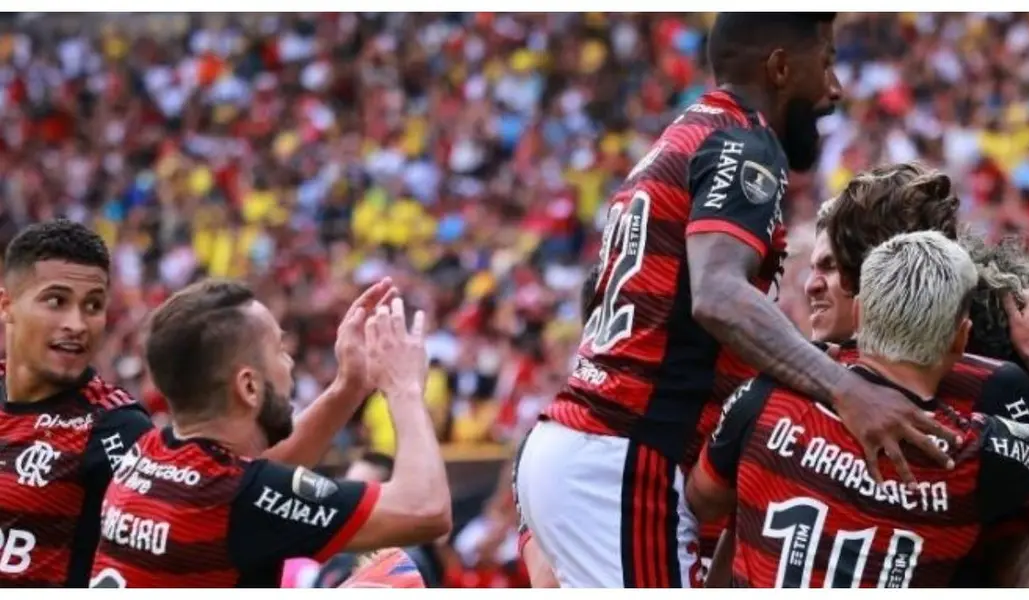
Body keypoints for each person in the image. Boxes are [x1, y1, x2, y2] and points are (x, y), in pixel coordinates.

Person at [514, 14, 958, 589]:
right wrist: (846, 390)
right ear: (780, 68)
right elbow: (718, 295)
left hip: (592, 449)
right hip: (622, 459)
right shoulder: (745, 141)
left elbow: (594, 290)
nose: (834, 88)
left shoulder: (682, 137)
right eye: (826, 63)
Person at [686, 231, 1029, 587]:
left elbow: (702, 502)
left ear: (859, 313)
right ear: (960, 339)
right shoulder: (967, 453)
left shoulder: (763, 398)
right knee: (1027, 546)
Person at [0, 219, 393, 587]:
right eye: (56, 301)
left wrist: (348, 389)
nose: (77, 324)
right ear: (7, 306)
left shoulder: (113, 429)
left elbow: (239, 485)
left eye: (93, 305)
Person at [803, 162, 1029, 586]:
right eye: (814, 267)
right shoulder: (799, 372)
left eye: (831, 267)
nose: (812, 285)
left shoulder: (985, 384)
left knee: (1027, 549)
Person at [88, 281, 451, 587]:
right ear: (249, 386)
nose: (290, 362)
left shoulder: (150, 451)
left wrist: (350, 384)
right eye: (279, 350)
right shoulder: (233, 498)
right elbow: (425, 510)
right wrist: (405, 388)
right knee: (395, 578)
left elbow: (256, 476)